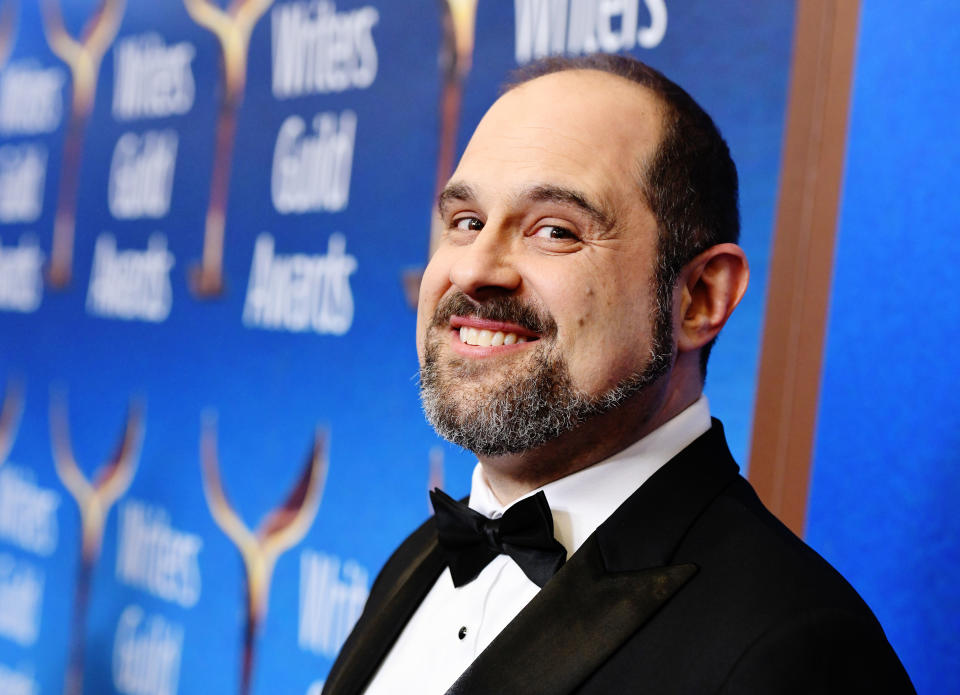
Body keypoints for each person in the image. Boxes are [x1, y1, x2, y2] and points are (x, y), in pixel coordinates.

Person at [322, 54, 914, 695]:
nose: (472, 271)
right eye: (466, 222)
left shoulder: (793, 650)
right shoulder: (413, 564)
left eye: (555, 231)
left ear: (700, 298)